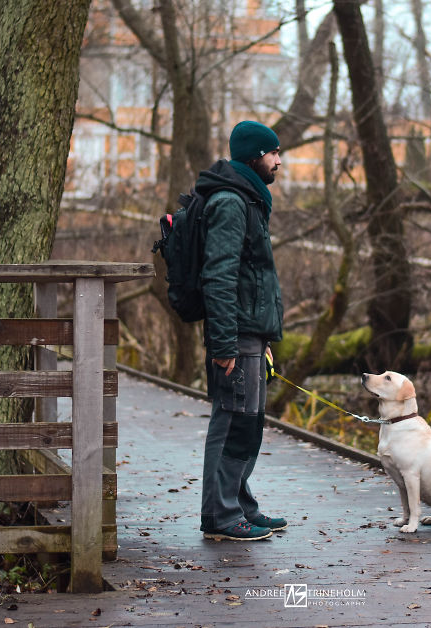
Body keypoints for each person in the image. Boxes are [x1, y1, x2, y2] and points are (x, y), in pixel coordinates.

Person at [197, 121, 286, 541]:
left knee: (248, 423)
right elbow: (219, 276)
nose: (279, 161)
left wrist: (264, 338)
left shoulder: (249, 199)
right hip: (235, 335)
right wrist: (225, 343)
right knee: (232, 422)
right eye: (273, 153)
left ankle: (241, 507)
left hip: (252, 334)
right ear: (255, 155)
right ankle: (221, 516)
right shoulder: (231, 202)